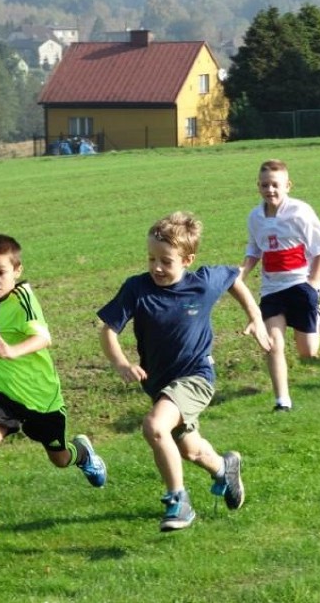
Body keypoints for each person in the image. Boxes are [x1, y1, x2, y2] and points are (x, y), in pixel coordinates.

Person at [97, 212, 271, 532]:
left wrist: (255, 317)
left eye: (166, 261)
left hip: (196, 378)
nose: (157, 267)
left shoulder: (202, 283)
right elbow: (108, 330)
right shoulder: (136, 288)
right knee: (189, 449)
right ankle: (224, 468)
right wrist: (121, 362)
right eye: (151, 258)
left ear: (188, 259)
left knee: (154, 426)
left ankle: (179, 500)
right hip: (161, 385)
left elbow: (234, 277)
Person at [0, 234, 107, 547]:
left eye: (1, 272)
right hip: (3, 393)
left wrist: (13, 352)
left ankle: (82, 454)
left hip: (41, 397)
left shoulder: (24, 298)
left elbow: (43, 339)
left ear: (17, 270)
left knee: (60, 458)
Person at [240, 159, 320, 412]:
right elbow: (255, 249)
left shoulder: (300, 212)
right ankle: (282, 401)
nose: (270, 190)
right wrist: (243, 273)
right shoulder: (255, 217)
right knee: (273, 344)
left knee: (308, 353)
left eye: (275, 185)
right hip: (271, 290)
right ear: (258, 186)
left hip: (299, 285)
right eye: (264, 185)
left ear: (287, 186)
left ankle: (316, 312)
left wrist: (314, 282)